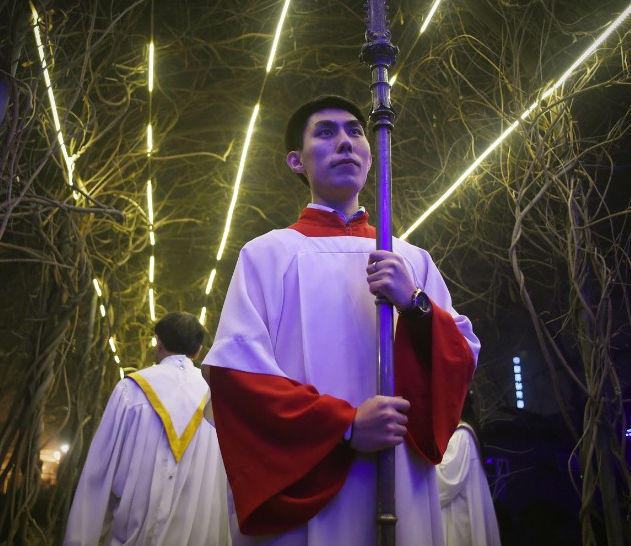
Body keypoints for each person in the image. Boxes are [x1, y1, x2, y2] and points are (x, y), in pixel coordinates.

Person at [202, 94, 481, 545]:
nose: (346, 142)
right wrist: (346, 425)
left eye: (355, 131)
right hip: (307, 476)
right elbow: (238, 379)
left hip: (401, 475)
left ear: (372, 157)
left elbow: (462, 358)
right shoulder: (266, 255)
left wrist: (414, 304)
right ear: (296, 160)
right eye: (326, 133)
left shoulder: (412, 261)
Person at [63, 311, 231, 546]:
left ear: (158, 344)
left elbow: (99, 474)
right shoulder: (220, 400)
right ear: (198, 351)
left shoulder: (131, 391)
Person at [436, 388, 502, 546]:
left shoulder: (461, 435)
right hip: (457, 512)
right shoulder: (462, 434)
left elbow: (444, 483)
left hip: (457, 517)